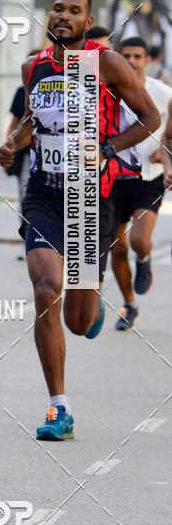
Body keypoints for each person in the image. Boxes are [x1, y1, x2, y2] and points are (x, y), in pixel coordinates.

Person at [0, 0, 160, 441]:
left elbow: (150, 117)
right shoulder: (34, 67)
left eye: (74, 11)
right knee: (46, 287)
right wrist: (12, 145)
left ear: (88, 22)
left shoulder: (107, 63)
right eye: (58, 8)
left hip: (91, 198)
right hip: (44, 194)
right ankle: (59, 407)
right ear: (48, 15)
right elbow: (32, 122)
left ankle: (95, 296)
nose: (64, 15)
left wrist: (109, 147)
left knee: (79, 321)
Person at [110, 37, 172, 329]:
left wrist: (167, 159)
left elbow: (169, 135)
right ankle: (129, 304)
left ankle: (144, 258)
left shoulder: (162, 92)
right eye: (126, 56)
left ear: (148, 59)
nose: (132, 61)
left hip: (148, 176)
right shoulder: (108, 90)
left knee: (138, 240)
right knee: (118, 248)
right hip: (112, 177)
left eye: (137, 56)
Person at [4, 49, 41, 259]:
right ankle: (26, 240)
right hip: (27, 155)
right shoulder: (22, 92)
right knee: (26, 198)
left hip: (52, 157)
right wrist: (9, 147)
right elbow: (15, 123)